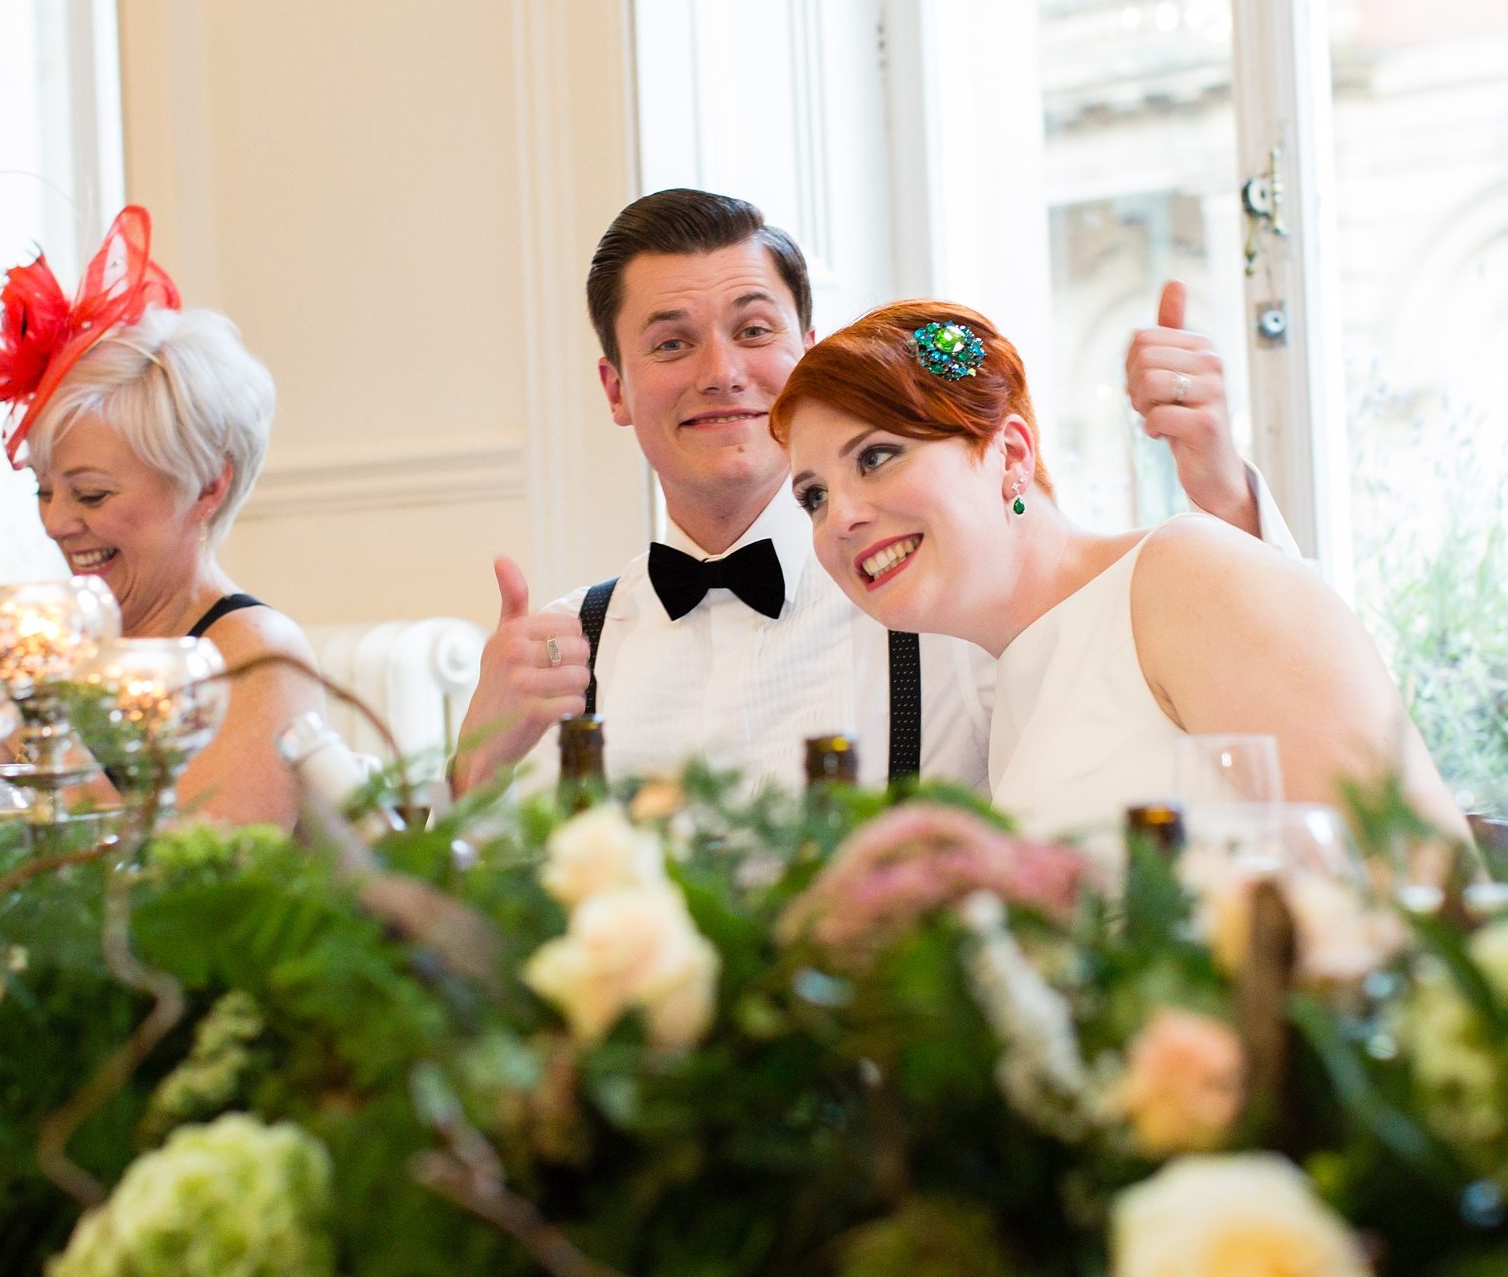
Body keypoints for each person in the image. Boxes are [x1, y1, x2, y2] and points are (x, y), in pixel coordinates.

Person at [450, 188, 1290, 798]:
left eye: (753, 330)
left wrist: (1221, 491)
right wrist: (475, 762)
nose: (722, 373)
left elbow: (1206, 706)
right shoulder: (557, 659)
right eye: (672, 344)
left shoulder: (950, 593)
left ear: (807, 354)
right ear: (615, 388)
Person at [773, 299, 1466, 837]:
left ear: (1011, 454)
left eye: (876, 456)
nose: (840, 517)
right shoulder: (1016, 694)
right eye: (814, 496)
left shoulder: (1180, 576)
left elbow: (1418, 884)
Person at [0, 207, 321, 829]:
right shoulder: (68, 657)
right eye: (44, 492)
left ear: (207, 486)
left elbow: (192, 885)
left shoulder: (257, 657)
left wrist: (23, 724)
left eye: (91, 496)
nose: (57, 523)